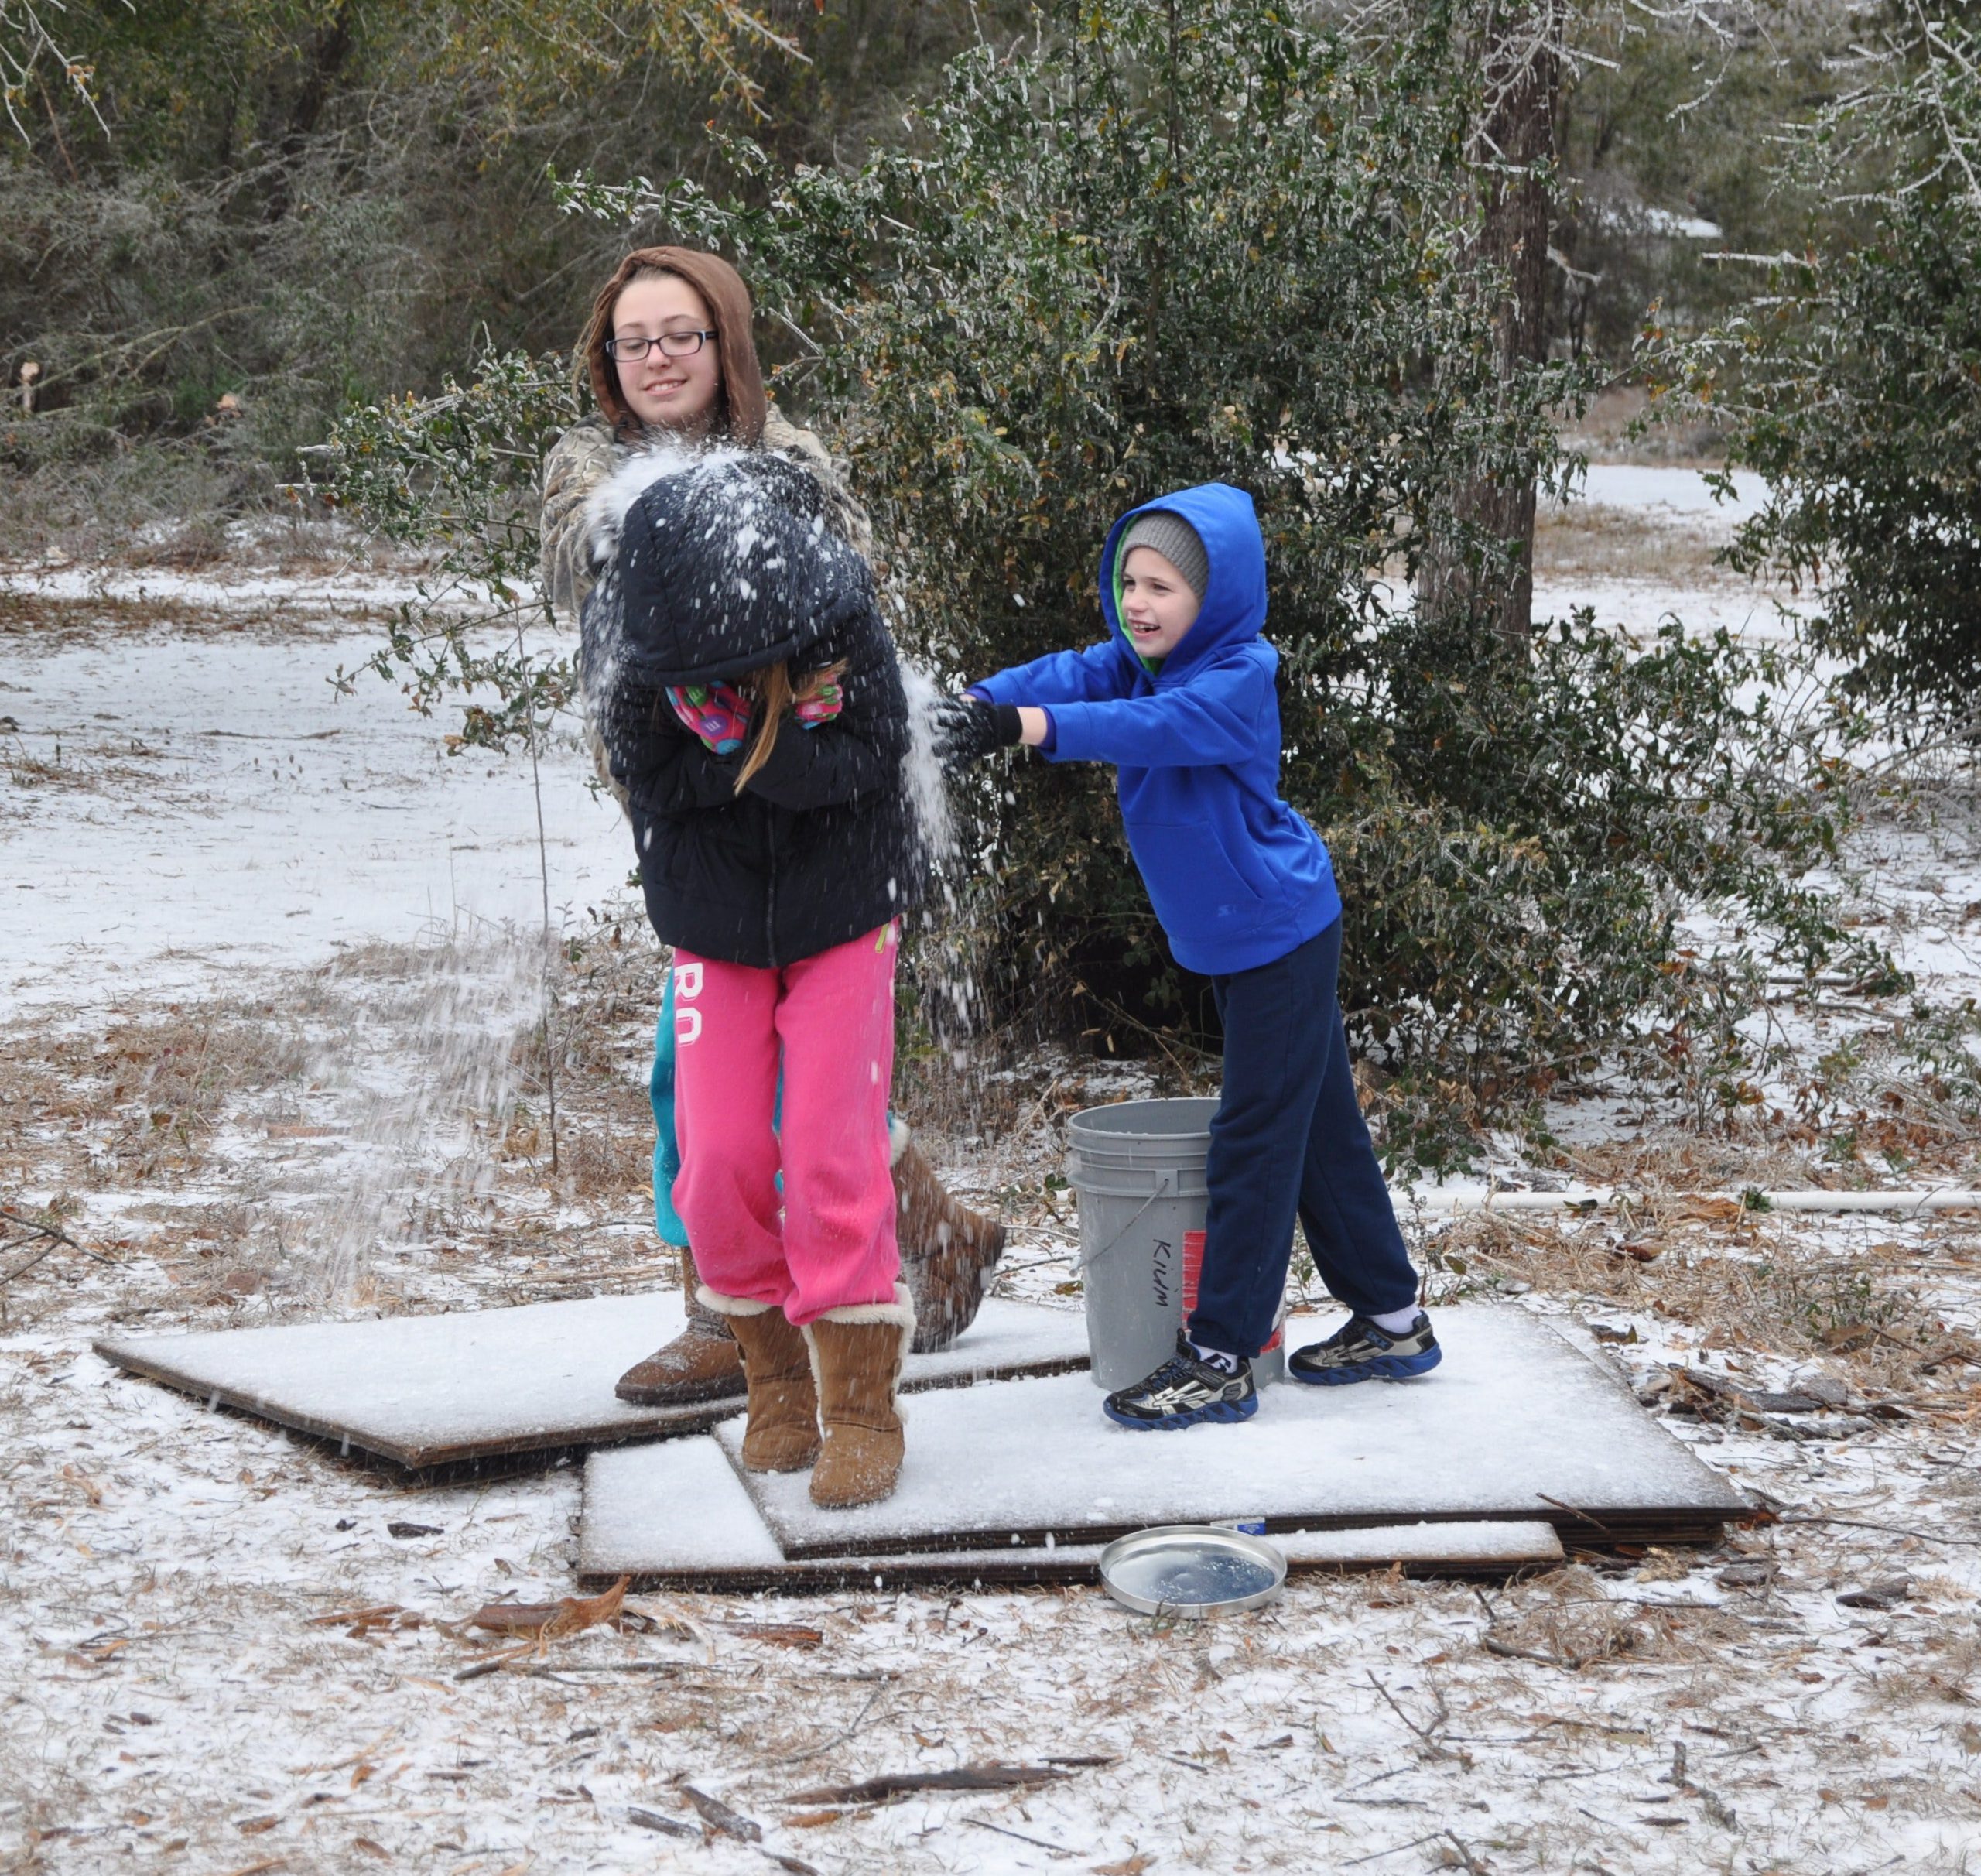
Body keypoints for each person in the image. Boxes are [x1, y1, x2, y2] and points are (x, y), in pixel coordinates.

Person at [537, 246, 1004, 1409]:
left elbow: (850, 619)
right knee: (714, 1086)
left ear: (726, 345)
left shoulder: (794, 468)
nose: (656, 359)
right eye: (632, 342)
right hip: (689, 824)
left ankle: (753, 1304)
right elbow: (584, 592)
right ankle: (905, 1251)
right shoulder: (586, 474)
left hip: (810, 819)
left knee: (765, 1087)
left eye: (681, 336)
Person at [938, 484, 1439, 1429]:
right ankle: (1392, 1317)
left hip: (1278, 933)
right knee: (1321, 1130)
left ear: (1215, 598)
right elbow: (1078, 672)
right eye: (1130, 580)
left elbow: (1154, 733)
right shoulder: (1141, 663)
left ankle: (1219, 1357)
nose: (1139, 603)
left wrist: (1027, 729)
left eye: (1162, 587)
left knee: (1253, 1137)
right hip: (1249, 935)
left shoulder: (1235, 676)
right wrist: (981, 701)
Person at [585, 438, 925, 1506]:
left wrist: (744, 757)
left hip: (843, 926)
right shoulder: (646, 643)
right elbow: (646, 773)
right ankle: (774, 1379)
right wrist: (764, 755)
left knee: (830, 1155)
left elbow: (870, 757)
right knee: (720, 1160)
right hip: (714, 930)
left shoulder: (842, 622)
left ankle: (862, 1407)